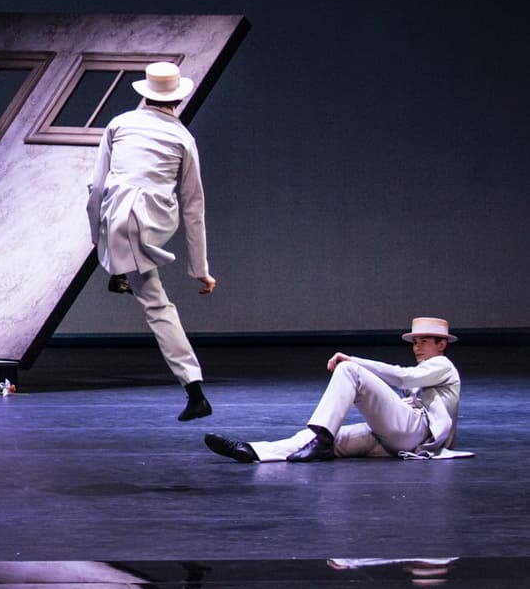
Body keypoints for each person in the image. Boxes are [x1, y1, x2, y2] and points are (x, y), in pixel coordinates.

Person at [84, 60, 216, 421]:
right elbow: (193, 206)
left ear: (146, 94)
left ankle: (196, 392)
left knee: (157, 305)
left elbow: (96, 189)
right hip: (156, 220)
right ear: (177, 98)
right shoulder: (183, 138)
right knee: (140, 274)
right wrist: (199, 269)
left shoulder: (119, 124)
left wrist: (96, 237)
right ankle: (120, 270)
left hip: (124, 222)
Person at [205, 317, 462, 463]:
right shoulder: (428, 369)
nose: (417, 347)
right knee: (318, 438)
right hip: (400, 440)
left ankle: (322, 439)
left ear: (442, 345)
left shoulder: (443, 365)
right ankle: (252, 451)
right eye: (415, 342)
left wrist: (353, 360)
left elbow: (403, 378)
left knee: (349, 370)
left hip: (415, 434)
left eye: (424, 341)